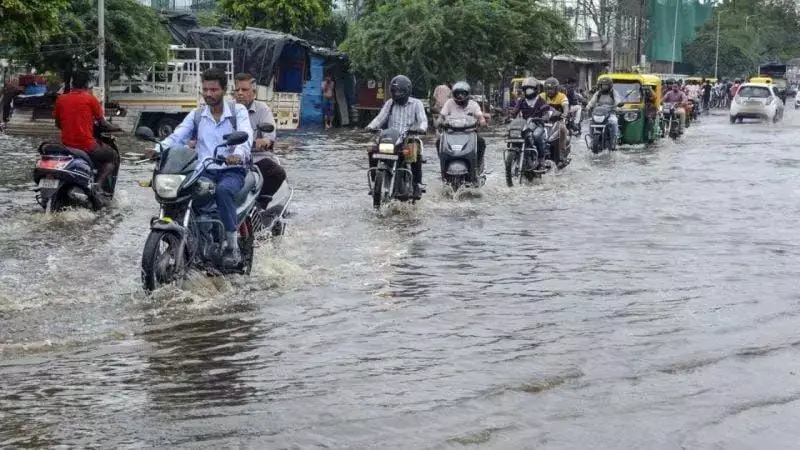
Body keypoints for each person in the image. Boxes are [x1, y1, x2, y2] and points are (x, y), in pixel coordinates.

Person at [147, 67, 253, 266]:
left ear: (223, 90)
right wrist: (158, 149)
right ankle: (191, 239)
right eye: (205, 89)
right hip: (204, 170)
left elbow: (245, 136)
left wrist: (237, 155)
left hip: (231, 170)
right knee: (181, 194)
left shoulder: (237, 111)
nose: (208, 94)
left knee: (223, 191)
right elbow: (178, 136)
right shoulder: (197, 115)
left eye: (213, 90)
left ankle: (231, 246)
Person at [53, 70, 120, 196]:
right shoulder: (90, 99)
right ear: (86, 84)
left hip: (66, 146)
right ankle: (98, 186)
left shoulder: (61, 99)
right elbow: (103, 124)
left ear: (72, 83)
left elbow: (57, 124)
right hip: (86, 145)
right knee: (112, 157)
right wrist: (117, 128)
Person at [366, 74, 428, 199]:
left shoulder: (416, 104)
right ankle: (374, 181)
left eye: (400, 91)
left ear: (407, 91)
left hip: (409, 138)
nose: (397, 94)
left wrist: (421, 128)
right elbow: (380, 118)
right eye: (395, 91)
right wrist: (371, 126)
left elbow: (423, 120)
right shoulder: (390, 103)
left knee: (413, 152)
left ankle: (416, 184)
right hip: (390, 138)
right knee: (372, 149)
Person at [233, 73, 286, 209]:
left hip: (256, 158)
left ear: (253, 93)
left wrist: (262, 142)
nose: (240, 93)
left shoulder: (262, 109)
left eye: (244, 90)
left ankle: (260, 204)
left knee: (277, 173)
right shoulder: (228, 110)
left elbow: (269, 137)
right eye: (237, 90)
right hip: (231, 159)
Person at [437, 81, 487, 173]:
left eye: (462, 93)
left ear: (467, 94)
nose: (460, 96)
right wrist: (439, 122)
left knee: (481, 142)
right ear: (453, 94)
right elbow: (442, 116)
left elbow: (480, 116)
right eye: (457, 93)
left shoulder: (473, 104)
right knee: (438, 141)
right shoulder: (449, 103)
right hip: (451, 133)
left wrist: (482, 121)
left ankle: (478, 165)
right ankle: (444, 164)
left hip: (470, 133)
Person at [585, 78, 623, 143]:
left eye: (606, 85)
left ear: (610, 86)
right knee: (591, 122)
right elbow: (592, 101)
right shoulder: (598, 93)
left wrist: (619, 105)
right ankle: (591, 139)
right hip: (599, 113)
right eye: (602, 85)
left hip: (611, 113)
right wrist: (587, 107)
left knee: (614, 122)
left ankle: (614, 138)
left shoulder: (613, 93)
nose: (604, 86)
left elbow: (617, 101)